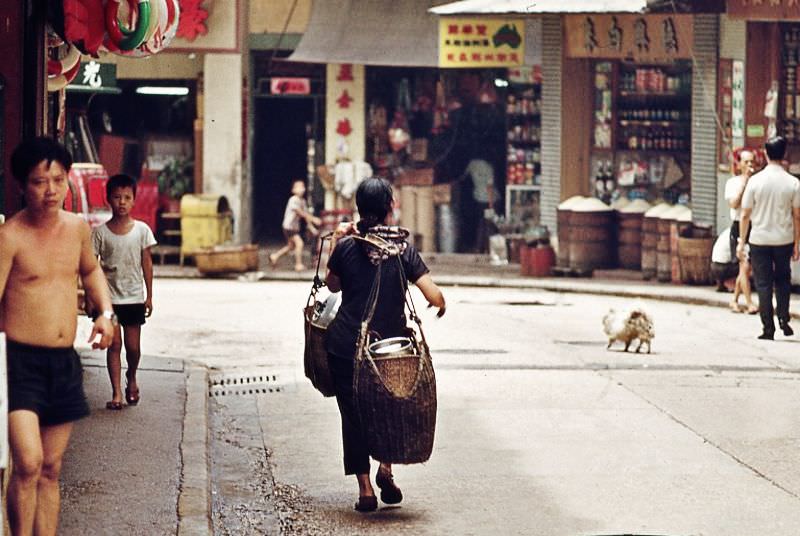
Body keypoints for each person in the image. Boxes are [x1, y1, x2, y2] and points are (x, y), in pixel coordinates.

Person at [0, 137, 115, 535]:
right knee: (28, 463)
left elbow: (91, 271)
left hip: (63, 362)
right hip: (18, 362)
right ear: (21, 185)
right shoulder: (10, 236)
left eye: (57, 179)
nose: (50, 190)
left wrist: (105, 313)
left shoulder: (77, 229)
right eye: (38, 181)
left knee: (51, 468)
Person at [324, 177, 446, 513]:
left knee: (353, 414)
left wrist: (337, 239)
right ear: (390, 208)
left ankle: (365, 490)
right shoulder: (403, 250)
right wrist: (441, 302)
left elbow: (331, 285)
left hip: (347, 346)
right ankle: (386, 471)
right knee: (388, 408)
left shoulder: (348, 247)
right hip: (388, 352)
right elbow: (432, 294)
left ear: (360, 209)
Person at [91, 174, 157, 410]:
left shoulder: (142, 231)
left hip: (133, 297)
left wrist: (149, 295)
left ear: (134, 201)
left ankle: (132, 376)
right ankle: (116, 393)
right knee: (114, 345)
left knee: (133, 348)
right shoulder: (100, 233)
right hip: (109, 300)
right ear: (108, 199)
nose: (121, 202)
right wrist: (92, 299)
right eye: (117, 197)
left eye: (127, 197)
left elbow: (147, 264)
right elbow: (91, 267)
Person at [737, 136, 800, 340]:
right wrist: (797, 242)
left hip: (759, 240)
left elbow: (745, 214)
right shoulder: (793, 183)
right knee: (783, 280)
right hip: (784, 239)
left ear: (765, 153)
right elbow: (797, 215)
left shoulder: (755, 181)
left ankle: (768, 328)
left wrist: (741, 241)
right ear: (785, 155)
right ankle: (783, 317)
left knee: (763, 283)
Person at [724, 150, 758, 314]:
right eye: (746, 162)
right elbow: (734, 204)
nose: (750, 165)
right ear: (739, 164)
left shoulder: (758, 182)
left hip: (753, 226)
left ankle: (734, 300)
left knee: (746, 268)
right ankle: (750, 302)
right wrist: (744, 183)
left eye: (752, 162)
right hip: (739, 226)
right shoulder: (732, 183)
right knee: (744, 265)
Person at [269, 180, 321, 271]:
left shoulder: (303, 201)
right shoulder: (293, 200)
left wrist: (311, 226)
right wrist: (313, 219)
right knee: (299, 244)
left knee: (291, 246)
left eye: (303, 187)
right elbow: (300, 213)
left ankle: (275, 256)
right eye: (298, 187)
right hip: (289, 226)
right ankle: (298, 265)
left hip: (294, 227)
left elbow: (306, 215)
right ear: (293, 190)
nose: (301, 189)